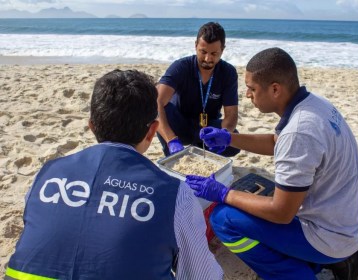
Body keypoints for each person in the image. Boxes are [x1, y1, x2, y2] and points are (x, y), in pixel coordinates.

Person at [5, 69, 223, 280]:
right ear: (152, 131)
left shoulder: (46, 174)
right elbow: (201, 275)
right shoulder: (175, 195)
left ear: (92, 126)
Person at [185, 48, 358, 280]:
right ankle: (326, 263)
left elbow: (281, 212)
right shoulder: (314, 104)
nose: (247, 95)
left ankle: (296, 274)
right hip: (346, 224)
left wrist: (223, 193)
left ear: (275, 89)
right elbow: (276, 142)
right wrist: (230, 138)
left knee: (223, 219)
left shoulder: (299, 132)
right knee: (261, 195)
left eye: (252, 89)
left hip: (330, 237)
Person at [156, 21, 240, 157]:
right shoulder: (180, 67)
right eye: (203, 52)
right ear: (196, 46)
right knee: (160, 108)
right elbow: (157, 102)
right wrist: (171, 140)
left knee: (233, 141)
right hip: (180, 125)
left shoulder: (228, 72)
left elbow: (231, 116)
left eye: (214, 53)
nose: (208, 58)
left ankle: (201, 150)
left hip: (207, 129)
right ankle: (170, 153)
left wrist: (223, 135)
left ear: (222, 50)